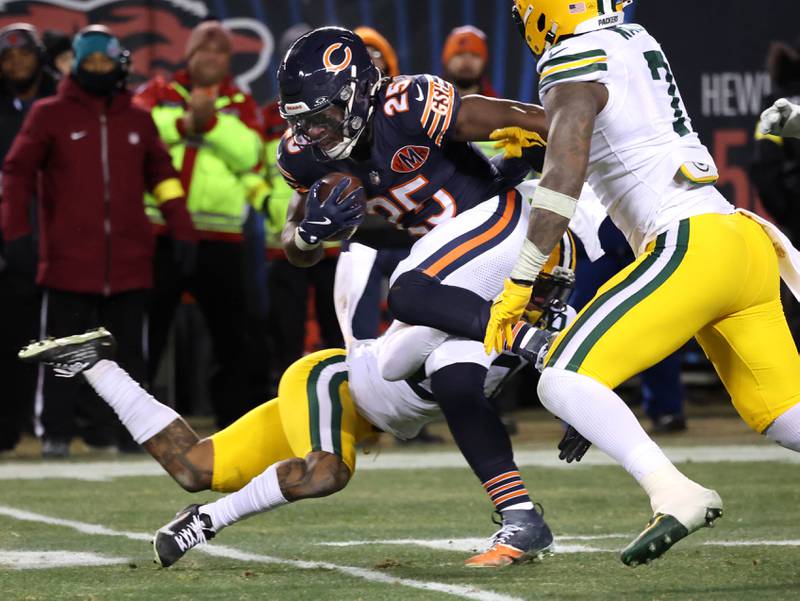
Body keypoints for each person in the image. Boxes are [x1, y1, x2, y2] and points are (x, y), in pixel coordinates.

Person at [18, 240, 578, 568]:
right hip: (332, 382)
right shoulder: (461, 321)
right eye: (540, 287)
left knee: (194, 468)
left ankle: (95, 365)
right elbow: (402, 360)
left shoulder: (550, 322)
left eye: (556, 288)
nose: (548, 300)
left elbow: (587, 362)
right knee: (326, 472)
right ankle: (207, 523)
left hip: (360, 411)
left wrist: (580, 406)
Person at [487, 0, 800, 566]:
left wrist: (519, 280)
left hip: (690, 244)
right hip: (739, 241)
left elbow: (565, 178)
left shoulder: (571, 55)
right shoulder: (634, 38)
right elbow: (609, 142)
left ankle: (675, 492)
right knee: (785, 413)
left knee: (559, 377)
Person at [1, 25, 195, 457]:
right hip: (69, 261)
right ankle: (54, 435)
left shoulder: (138, 119)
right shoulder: (49, 114)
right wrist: (15, 232)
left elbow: (162, 176)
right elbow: (16, 173)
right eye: (90, 62)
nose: (99, 70)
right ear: (78, 66)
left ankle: (134, 436)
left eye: (106, 62)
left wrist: (180, 225)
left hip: (129, 260)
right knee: (61, 357)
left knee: (130, 359)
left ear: (120, 65)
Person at [134, 20, 268, 428]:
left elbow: (251, 154)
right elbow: (137, 132)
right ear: (188, 54)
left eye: (219, 51)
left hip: (220, 238)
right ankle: (131, 422)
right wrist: (183, 123)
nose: (210, 57)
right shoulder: (158, 91)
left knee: (232, 336)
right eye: (202, 49)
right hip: (162, 232)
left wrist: (208, 123)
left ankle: (234, 422)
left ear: (228, 59)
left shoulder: (240, 100)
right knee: (148, 331)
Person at [0, 23, 60, 452]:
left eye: (23, 53)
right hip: (11, 231)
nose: (16, 61)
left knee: (64, 333)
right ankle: (10, 428)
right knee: (12, 335)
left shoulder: (62, 100)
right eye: (7, 55)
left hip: (59, 231)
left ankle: (63, 427)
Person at [441, 26, 497, 98]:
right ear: (447, 61)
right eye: (460, 54)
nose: (467, 61)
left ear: (483, 62)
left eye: (475, 55)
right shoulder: (427, 102)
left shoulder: (496, 106)